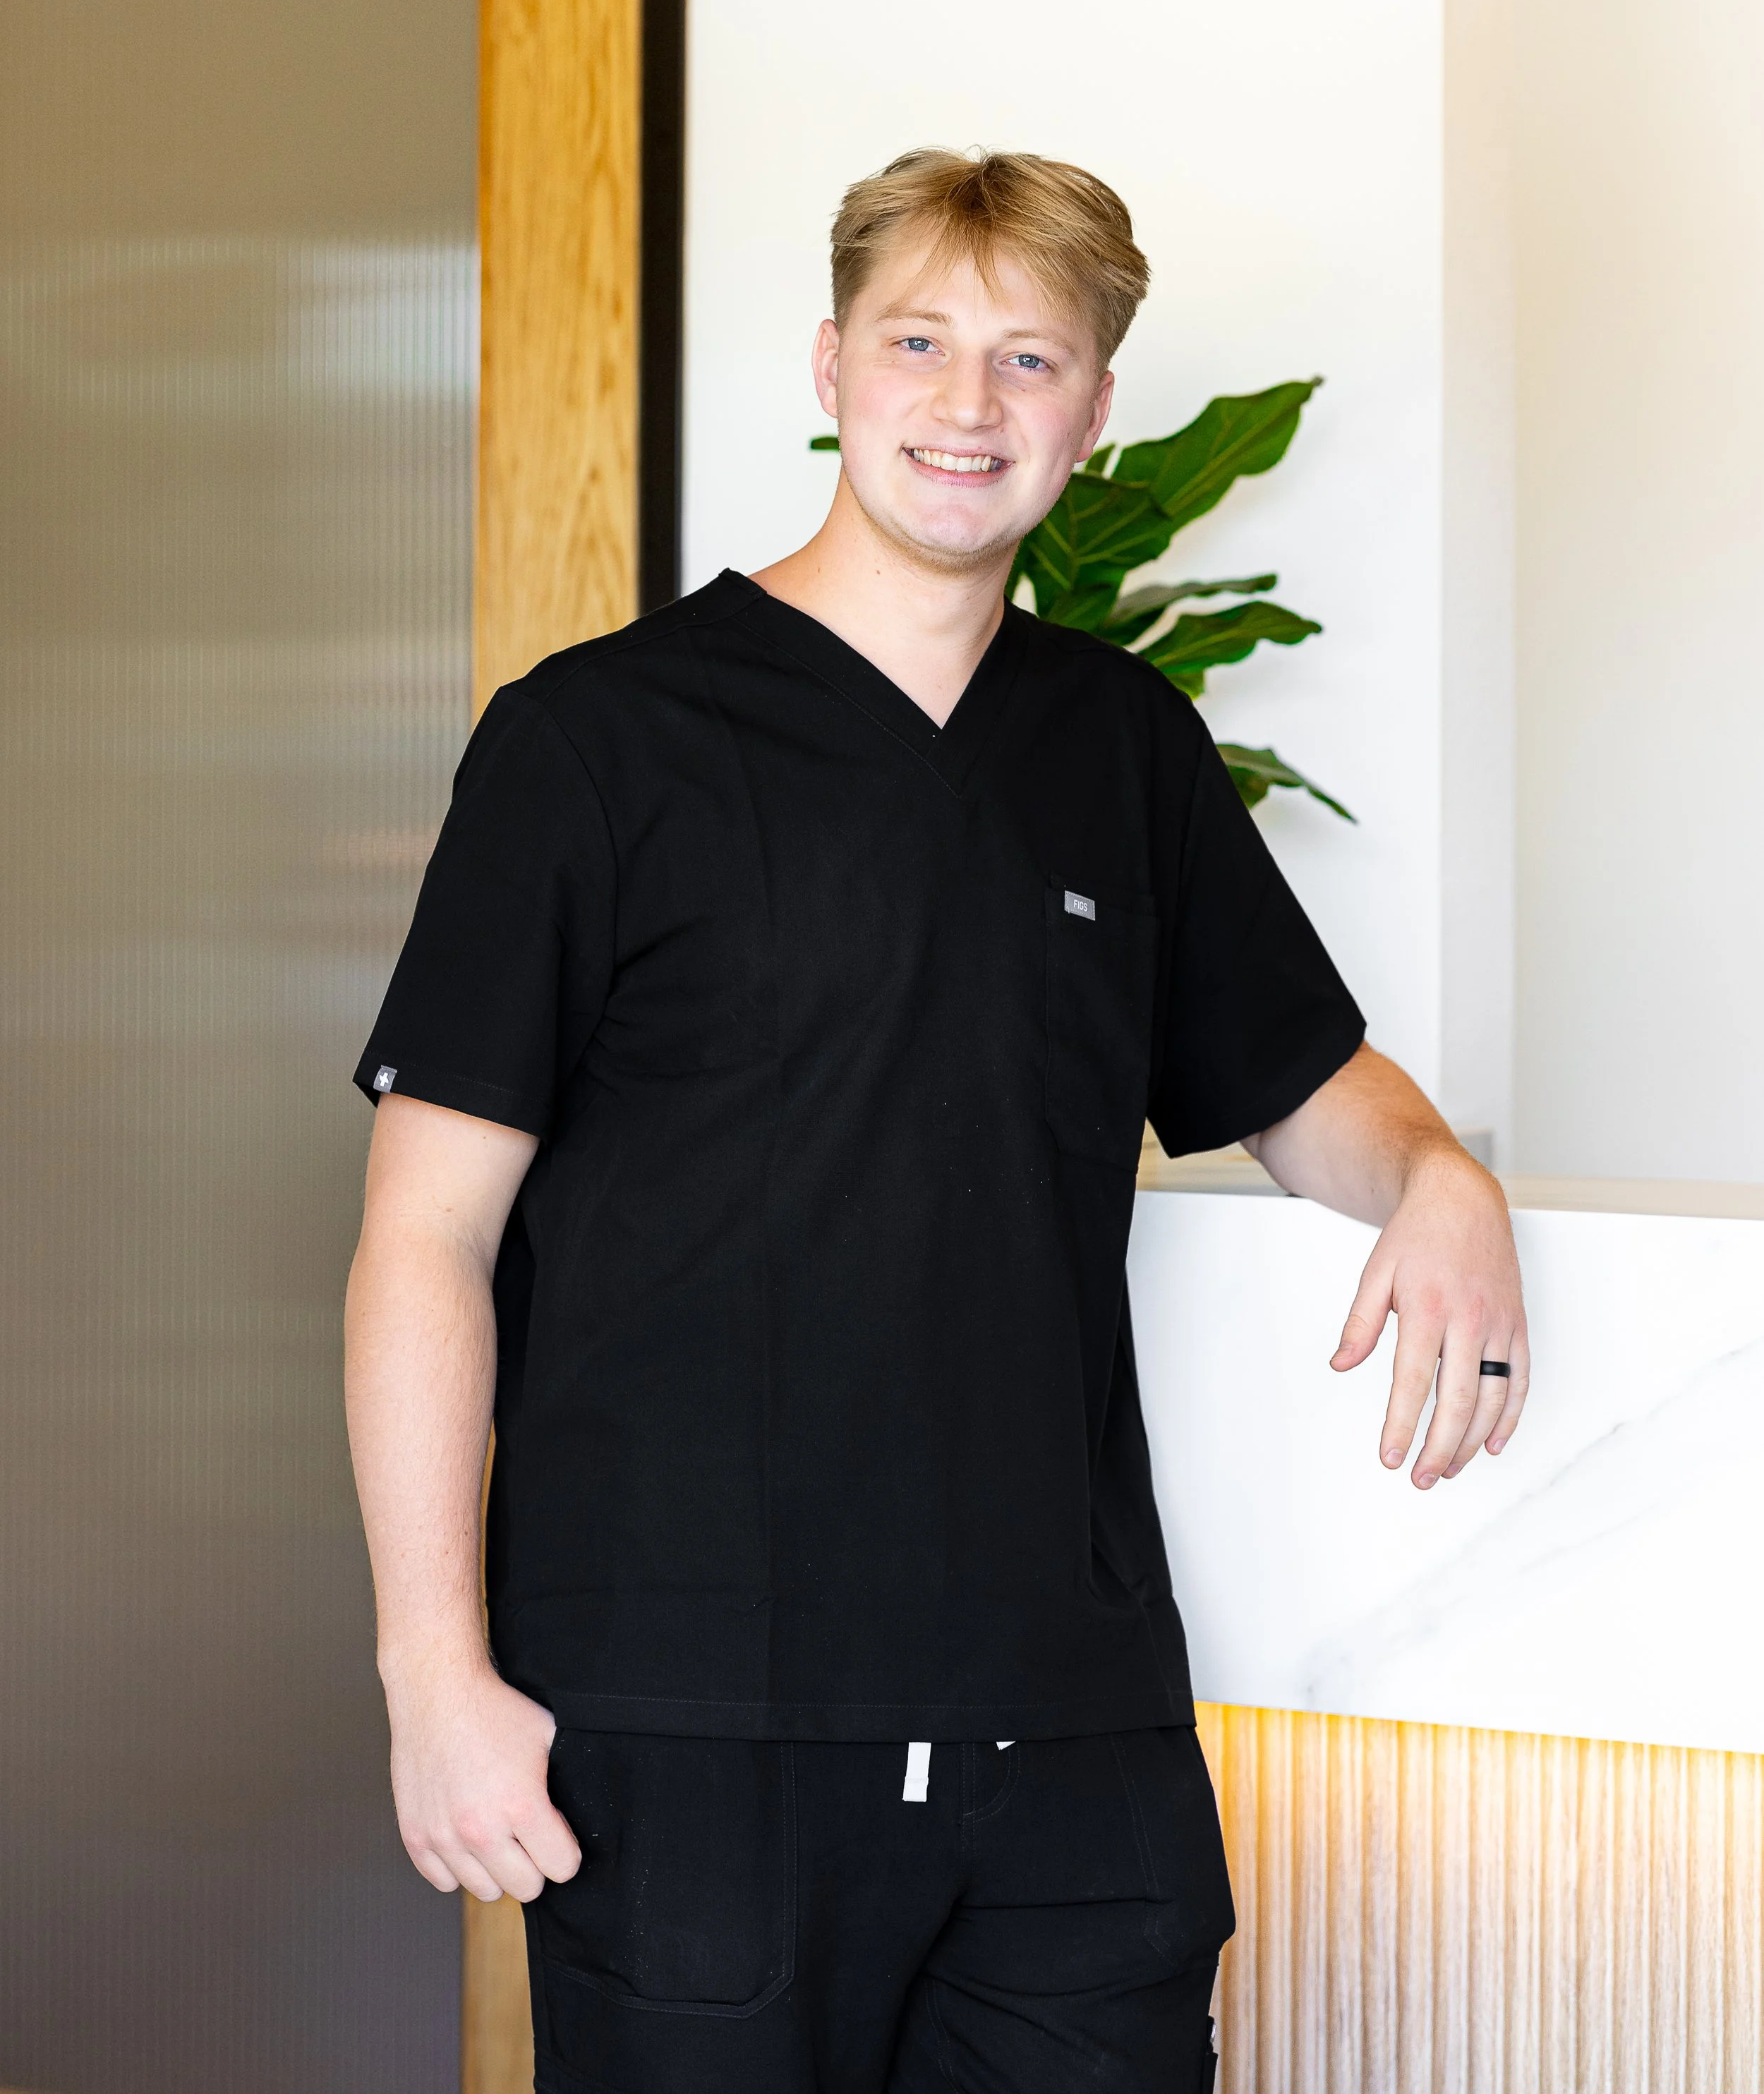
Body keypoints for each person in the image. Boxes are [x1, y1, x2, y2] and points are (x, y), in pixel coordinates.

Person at [344, 148, 1528, 2094]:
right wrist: (431, 1674)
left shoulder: (1119, 748)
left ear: (1092, 408)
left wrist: (1435, 1168)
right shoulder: (596, 742)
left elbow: (1308, 1092)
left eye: (1028, 357)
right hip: (692, 1736)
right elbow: (424, 1238)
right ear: (828, 365)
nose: (966, 405)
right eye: (918, 341)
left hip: (1067, 1746)